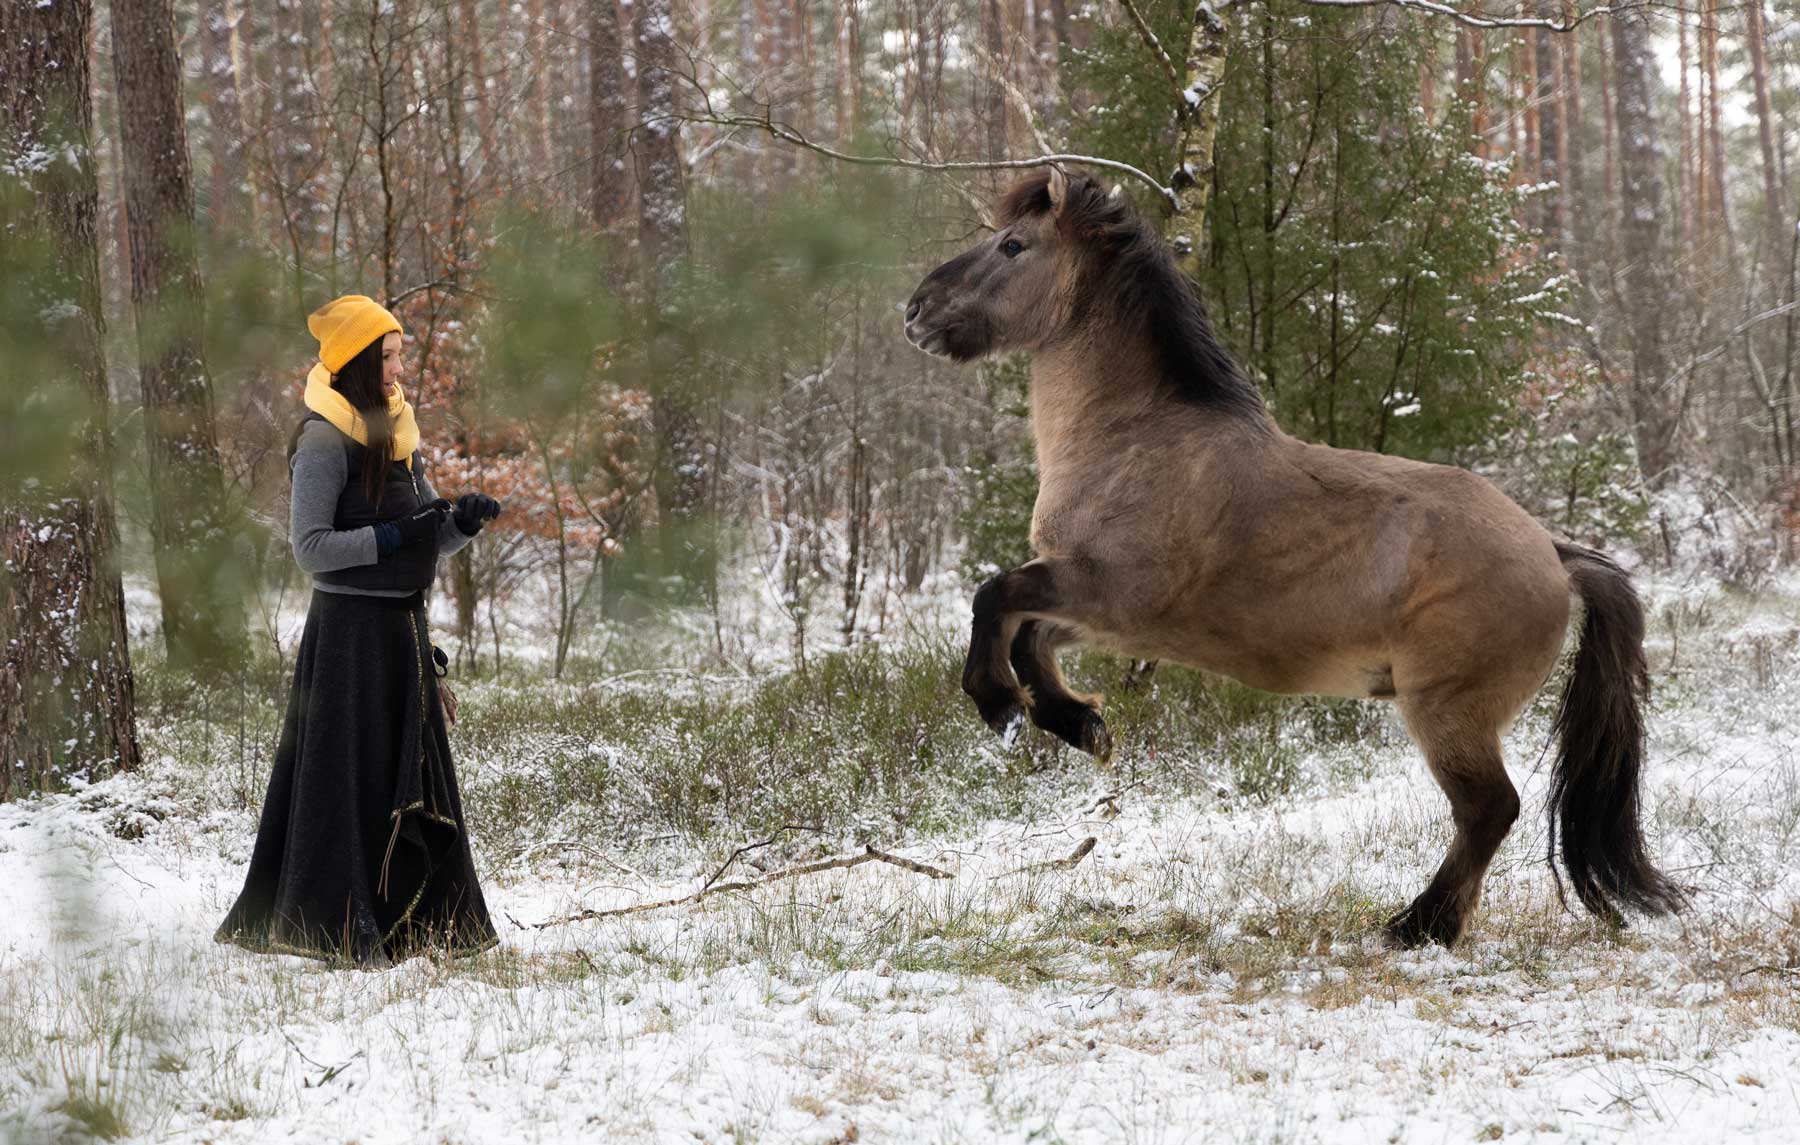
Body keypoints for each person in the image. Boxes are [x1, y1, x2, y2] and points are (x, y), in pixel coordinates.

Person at [216, 295, 502, 967]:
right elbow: (311, 548)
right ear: (358, 362)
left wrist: (459, 523)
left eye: (401, 354)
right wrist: (392, 535)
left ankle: (418, 924)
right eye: (389, 356)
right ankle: (337, 926)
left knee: (404, 781)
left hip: (401, 635)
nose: (401, 367)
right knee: (346, 785)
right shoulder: (322, 440)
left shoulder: (399, 434)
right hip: (347, 640)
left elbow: (425, 533)